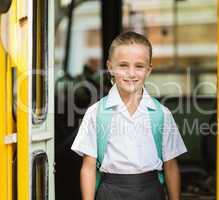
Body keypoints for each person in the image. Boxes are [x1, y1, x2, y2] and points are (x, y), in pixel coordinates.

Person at [71, 31, 187, 200]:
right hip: (111, 191)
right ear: (110, 67)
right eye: (123, 65)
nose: (131, 73)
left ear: (148, 70)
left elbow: (170, 166)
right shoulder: (96, 113)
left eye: (139, 66)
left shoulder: (161, 114)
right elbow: (88, 168)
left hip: (151, 191)